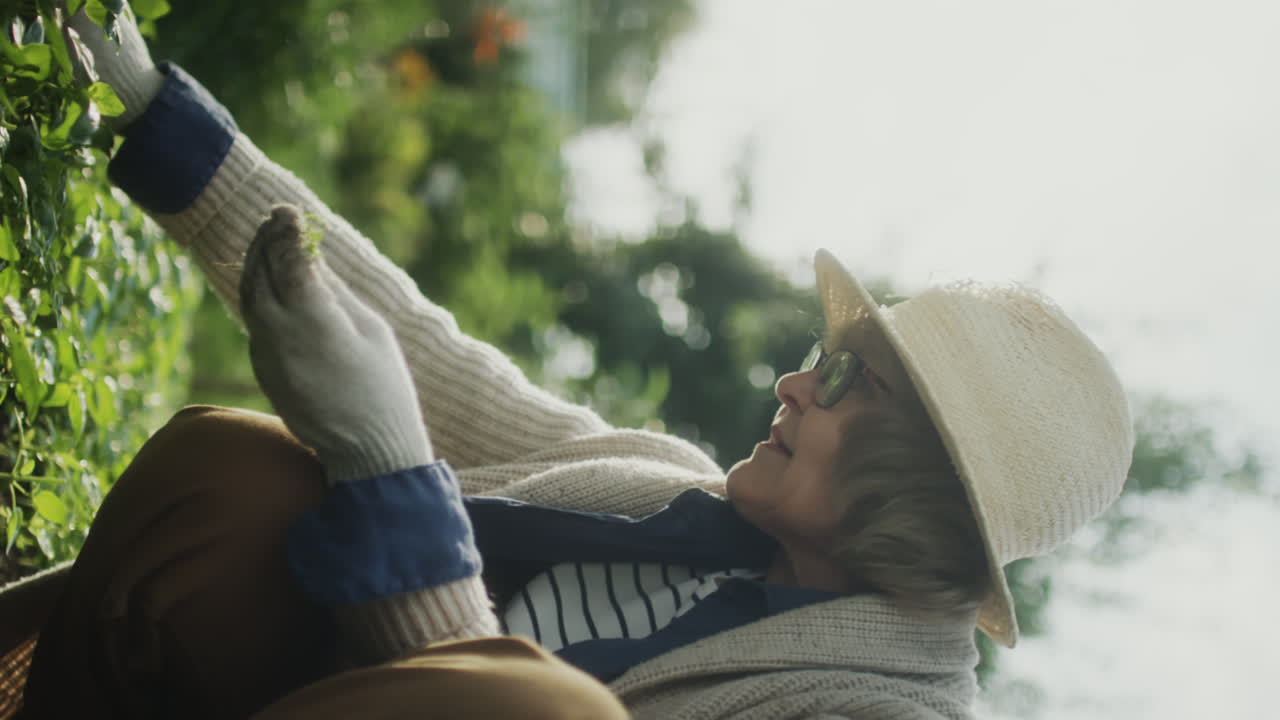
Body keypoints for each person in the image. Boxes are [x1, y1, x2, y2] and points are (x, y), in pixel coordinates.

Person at [1, 4, 1135, 719]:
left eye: (847, 383)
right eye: (818, 358)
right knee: (241, 478)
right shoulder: (675, 502)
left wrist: (392, 481)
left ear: (925, 483)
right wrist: (160, 124)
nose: (794, 385)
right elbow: (431, 363)